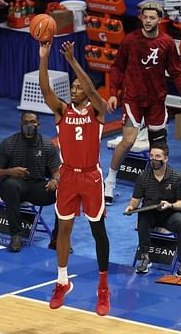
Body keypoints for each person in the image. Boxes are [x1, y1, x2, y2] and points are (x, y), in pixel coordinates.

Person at [39, 41, 111, 316]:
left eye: (78, 87)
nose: (75, 89)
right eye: (73, 86)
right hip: (68, 175)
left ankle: (103, 287)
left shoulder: (97, 111)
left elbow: (93, 91)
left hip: (91, 176)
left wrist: (72, 61)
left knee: (97, 231)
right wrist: (44, 57)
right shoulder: (61, 111)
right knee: (63, 230)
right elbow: (46, 90)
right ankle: (62, 281)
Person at [103, 2, 181, 206]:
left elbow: (177, 72)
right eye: (146, 17)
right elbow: (117, 67)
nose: (148, 21)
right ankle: (110, 181)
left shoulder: (167, 43)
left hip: (156, 101)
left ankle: (156, 189)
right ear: (141, 18)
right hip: (133, 98)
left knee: (158, 148)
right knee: (128, 140)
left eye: (152, 17)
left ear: (159, 19)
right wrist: (113, 94)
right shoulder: (130, 40)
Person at [0, 110, 63, 253]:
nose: (29, 125)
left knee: (64, 190)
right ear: (21, 124)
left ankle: (58, 238)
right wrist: (10, 172)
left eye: (33, 122)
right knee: (10, 185)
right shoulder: (9, 144)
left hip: (37, 186)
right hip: (15, 185)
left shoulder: (47, 146)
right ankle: (16, 235)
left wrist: (55, 180)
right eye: (26, 123)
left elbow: (57, 171)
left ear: (39, 125)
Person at [124, 142, 181, 277]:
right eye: (152, 156)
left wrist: (170, 205)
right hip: (150, 213)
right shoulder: (143, 177)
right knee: (142, 217)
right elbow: (135, 200)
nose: (154, 159)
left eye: (158, 156)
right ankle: (145, 258)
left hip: (170, 213)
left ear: (165, 159)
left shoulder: (177, 177)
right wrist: (131, 207)